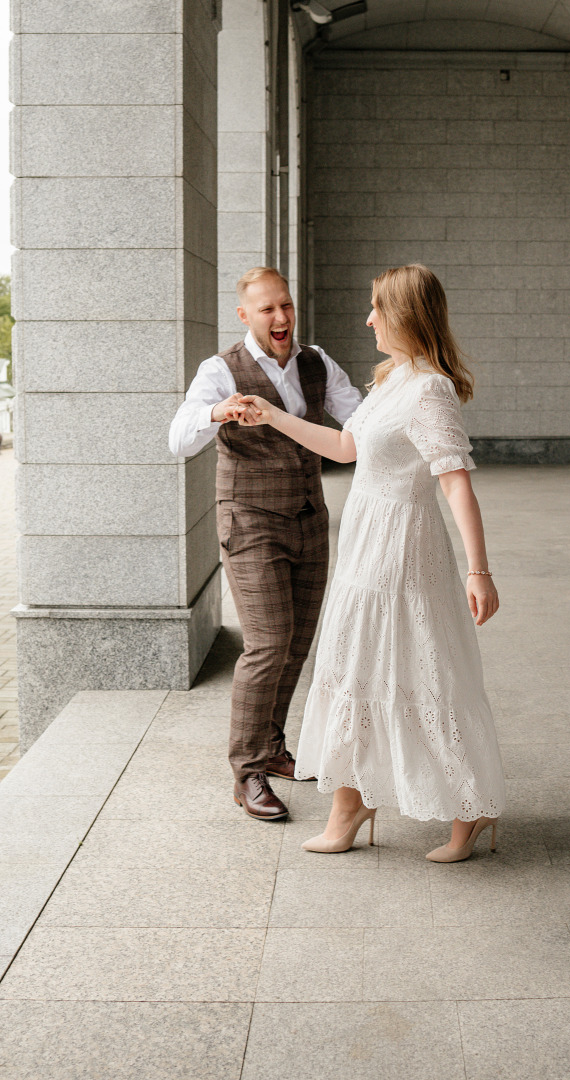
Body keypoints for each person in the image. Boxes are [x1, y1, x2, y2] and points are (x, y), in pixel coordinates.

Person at [234, 263, 506, 862]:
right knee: (357, 671)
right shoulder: (391, 380)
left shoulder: (428, 388)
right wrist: (271, 415)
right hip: (365, 547)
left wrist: (479, 571)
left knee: (417, 674)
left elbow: (455, 484)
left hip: (403, 554)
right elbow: (344, 446)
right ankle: (351, 802)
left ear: (405, 315)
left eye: (377, 308)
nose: (368, 318)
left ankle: (469, 806)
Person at [168, 267, 363, 822]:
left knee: (298, 640)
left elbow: (358, 420)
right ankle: (247, 770)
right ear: (244, 315)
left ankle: (272, 747)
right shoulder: (220, 370)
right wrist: (215, 411)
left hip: (308, 516)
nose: (280, 319)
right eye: (267, 310)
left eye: (286, 306)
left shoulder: (316, 361)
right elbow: (179, 438)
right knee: (268, 641)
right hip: (250, 520)